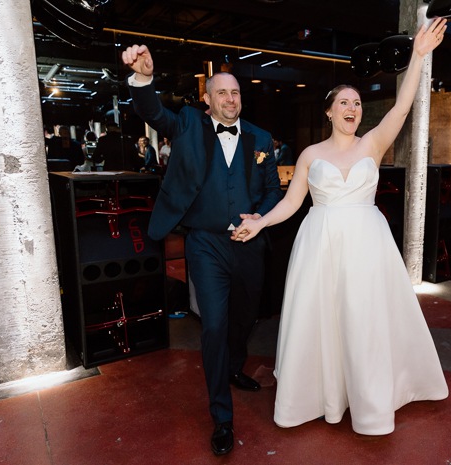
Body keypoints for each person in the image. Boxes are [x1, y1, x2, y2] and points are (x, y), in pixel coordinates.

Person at [232, 18, 449, 436]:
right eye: (344, 103)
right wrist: (260, 221)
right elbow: (292, 203)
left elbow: (403, 106)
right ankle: (323, 394)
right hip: (322, 246)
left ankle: (371, 398)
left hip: (368, 246)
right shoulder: (311, 154)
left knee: (364, 319)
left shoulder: (374, 143)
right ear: (329, 111)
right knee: (325, 320)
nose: (353, 109)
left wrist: (419, 57)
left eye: (357, 103)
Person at [122, 45, 283, 456]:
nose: (231, 99)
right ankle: (222, 418)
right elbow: (153, 113)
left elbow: (270, 191)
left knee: (246, 318)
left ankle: (233, 366)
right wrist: (143, 79)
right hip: (206, 244)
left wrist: (259, 218)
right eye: (223, 93)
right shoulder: (190, 124)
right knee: (213, 326)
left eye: (236, 93)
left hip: (249, 244)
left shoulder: (261, 138)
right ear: (208, 100)